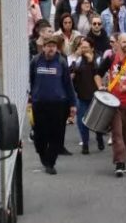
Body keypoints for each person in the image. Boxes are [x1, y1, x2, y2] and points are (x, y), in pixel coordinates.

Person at [94, 33, 126, 177]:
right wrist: (100, 86)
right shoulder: (110, 58)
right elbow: (97, 74)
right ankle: (119, 163)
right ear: (117, 43)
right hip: (114, 102)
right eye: (123, 42)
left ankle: (123, 158)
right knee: (117, 134)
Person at [29, 35, 76, 175]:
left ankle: (50, 162)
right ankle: (43, 155)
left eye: (53, 47)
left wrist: (72, 104)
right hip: (40, 103)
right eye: (48, 46)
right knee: (40, 136)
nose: (51, 49)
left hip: (58, 104)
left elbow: (68, 84)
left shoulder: (61, 62)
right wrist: (31, 97)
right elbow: (31, 80)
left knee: (57, 135)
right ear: (43, 47)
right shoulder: (36, 61)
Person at [70, 37, 104, 153]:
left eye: (86, 47)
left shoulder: (98, 59)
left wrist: (91, 62)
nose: (83, 49)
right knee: (81, 120)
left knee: (98, 120)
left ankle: (99, 137)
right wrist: (75, 60)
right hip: (81, 94)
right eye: (82, 47)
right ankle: (85, 144)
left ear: (92, 48)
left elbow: (100, 73)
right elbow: (71, 72)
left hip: (96, 96)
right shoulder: (78, 59)